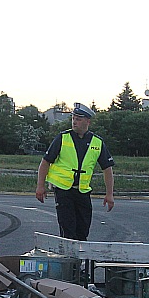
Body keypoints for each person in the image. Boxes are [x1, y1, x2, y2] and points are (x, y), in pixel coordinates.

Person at [35, 103, 115, 241]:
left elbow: (107, 169)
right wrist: (40, 186)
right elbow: (45, 162)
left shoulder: (97, 142)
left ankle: (78, 262)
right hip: (64, 191)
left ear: (87, 121)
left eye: (78, 119)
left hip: (83, 192)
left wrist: (109, 194)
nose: (74, 121)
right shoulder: (63, 138)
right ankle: (69, 261)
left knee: (83, 231)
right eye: (73, 118)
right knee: (68, 231)